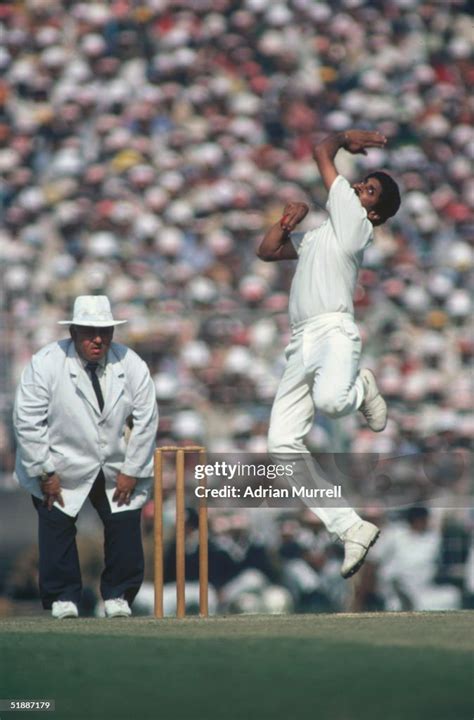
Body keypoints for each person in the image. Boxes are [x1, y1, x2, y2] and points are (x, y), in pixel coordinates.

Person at [257, 129, 401, 579]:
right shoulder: (325, 234)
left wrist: (344, 141)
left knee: (334, 403)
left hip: (334, 331)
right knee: (280, 444)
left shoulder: (356, 226)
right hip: (301, 341)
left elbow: (319, 149)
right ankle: (349, 527)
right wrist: (286, 224)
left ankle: (362, 387)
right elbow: (268, 253)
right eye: (363, 182)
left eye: (370, 190)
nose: (360, 186)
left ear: (374, 212)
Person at [13, 295, 158, 619]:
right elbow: (27, 420)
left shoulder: (130, 362)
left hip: (117, 462)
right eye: (90, 332)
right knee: (57, 525)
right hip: (59, 462)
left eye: (104, 332)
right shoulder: (46, 362)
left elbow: (147, 419)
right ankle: (63, 597)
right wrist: (44, 471)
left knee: (124, 525)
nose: (98, 339)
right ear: (74, 332)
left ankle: (119, 595)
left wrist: (132, 469)